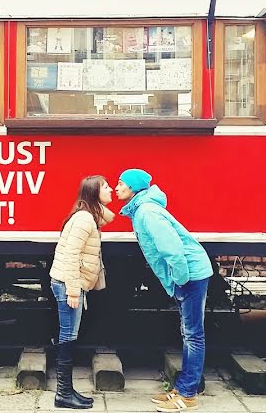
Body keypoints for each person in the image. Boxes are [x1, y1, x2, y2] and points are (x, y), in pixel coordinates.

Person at [116, 169, 213, 412]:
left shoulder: (148, 213)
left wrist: (179, 280)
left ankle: (188, 395)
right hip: (189, 274)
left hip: (191, 274)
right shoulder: (142, 210)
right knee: (188, 333)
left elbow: (173, 251)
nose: (116, 187)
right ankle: (181, 389)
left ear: (133, 188)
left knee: (193, 335)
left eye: (120, 183)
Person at [48, 175, 114, 409]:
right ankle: (63, 394)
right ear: (94, 192)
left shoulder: (88, 216)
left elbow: (104, 218)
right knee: (67, 337)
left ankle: (67, 391)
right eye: (106, 186)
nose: (112, 189)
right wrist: (74, 292)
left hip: (69, 283)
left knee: (70, 336)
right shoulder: (85, 219)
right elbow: (70, 256)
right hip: (68, 284)